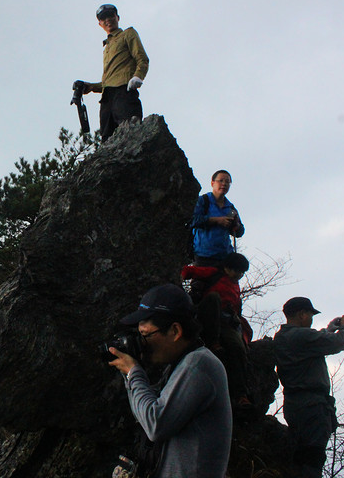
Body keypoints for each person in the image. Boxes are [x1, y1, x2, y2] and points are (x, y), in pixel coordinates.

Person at [109, 284, 232, 478]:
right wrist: (129, 372)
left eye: (145, 335)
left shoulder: (198, 364)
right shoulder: (178, 366)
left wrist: (133, 372)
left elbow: (155, 424)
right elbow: (143, 411)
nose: (143, 344)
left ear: (175, 331)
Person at [273, 297, 344, 478]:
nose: (311, 319)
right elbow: (339, 342)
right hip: (312, 406)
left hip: (294, 404)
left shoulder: (282, 337)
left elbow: (312, 342)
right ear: (302, 314)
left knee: (300, 456)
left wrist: (328, 330)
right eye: (310, 315)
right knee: (313, 457)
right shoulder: (301, 336)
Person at [181, 252, 252, 408]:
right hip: (208, 315)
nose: (239, 275)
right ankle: (213, 342)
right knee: (213, 298)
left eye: (242, 272)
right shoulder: (214, 273)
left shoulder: (235, 285)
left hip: (226, 322)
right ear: (227, 267)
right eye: (237, 271)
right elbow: (187, 271)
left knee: (237, 349)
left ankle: (241, 395)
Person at [77, 3, 149, 142]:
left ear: (117, 17)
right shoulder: (107, 47)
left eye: (110, 16)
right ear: (100, 24)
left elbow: (142, 58)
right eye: (103, 18)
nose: (108, 20)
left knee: (129, 129)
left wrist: (138, 76)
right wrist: (90, 86)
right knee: (107, 139)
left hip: (124, 90)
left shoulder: (128, 34)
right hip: (107, 98)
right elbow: (108, 81)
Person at [189, 169, 244, 266]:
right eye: (221, 180)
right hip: (203, 255)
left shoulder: (230, 207)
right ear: (212, 183)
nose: (224, 184)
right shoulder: (203, 201)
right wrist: (216, 220)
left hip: (225, 257)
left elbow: (240, 232)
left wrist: (236, 224)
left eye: (227, 182)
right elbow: (193, 220)